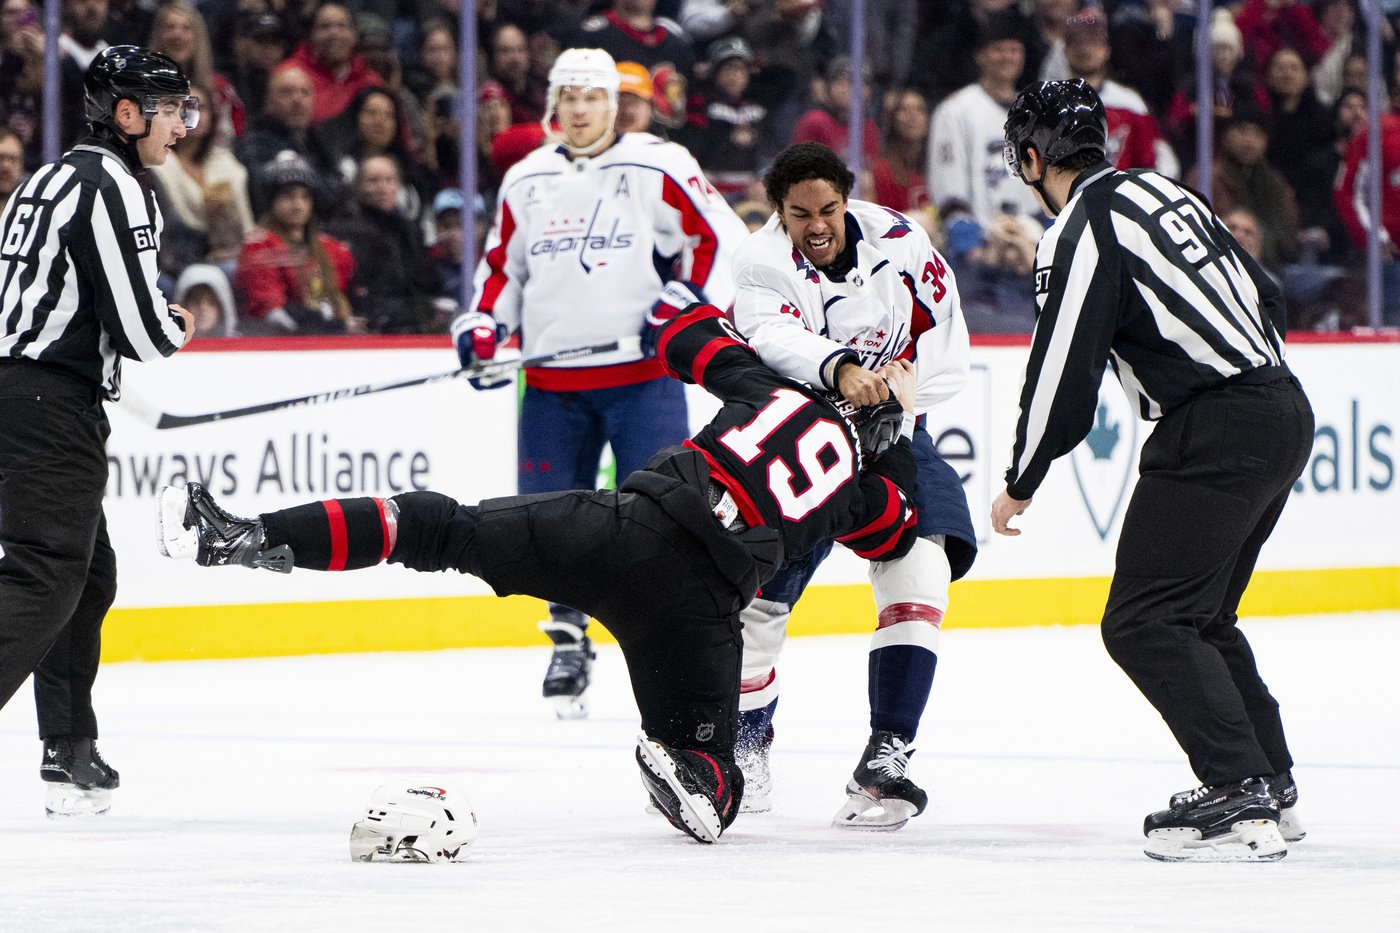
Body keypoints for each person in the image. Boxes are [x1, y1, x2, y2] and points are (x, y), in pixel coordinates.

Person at [157, 304, 924, 845]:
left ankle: (248, 534)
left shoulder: (773, 389)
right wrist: (894, 444)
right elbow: (898, 526)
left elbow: (684, 333)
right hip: (699, 610)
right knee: (715, 789)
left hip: (625, 530)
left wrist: (676, 320)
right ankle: (690, 758)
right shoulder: (859, 490)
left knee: (434, 524)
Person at [995, 79, 1313, 862]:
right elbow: (1267, 296)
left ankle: (1239, 781)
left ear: (1034, 158)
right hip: (1281, 402)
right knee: (1202, 615)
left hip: (1214, 426)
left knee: (1144, 618)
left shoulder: (1079, 229)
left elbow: (1062, 377)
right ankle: (1270, 780)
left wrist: (1021, 478)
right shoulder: (1169, 192)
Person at [455, 47, 747, 719]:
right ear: (553, 105)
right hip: (553, 382)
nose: (580, 109)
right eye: (570, 98)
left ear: (613, 105)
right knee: (547, 516)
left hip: (643, 378)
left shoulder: (659, 164)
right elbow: (501, 271)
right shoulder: (525, 180)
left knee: (663, 516)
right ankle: (566, 634)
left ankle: (666, 638)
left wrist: (678, 308)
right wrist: (481, 328)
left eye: (593, 97)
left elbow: (717, 242)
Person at [729, 141, 977, 826]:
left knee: (923, 566)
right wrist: (841, 373)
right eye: (800, 213)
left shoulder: (901, 239)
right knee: (758, 603)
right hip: (796, 441)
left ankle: (886, 756)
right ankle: (744, 748)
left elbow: (945, 339)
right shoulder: (757, 264)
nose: (817, 226)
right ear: (779, 211)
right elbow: (774, 340)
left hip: (894, 432)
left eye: (830, 209)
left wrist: (902, 400)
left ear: (847, 198)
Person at [0, 45, 196, 818]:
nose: (182, 125)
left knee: (89, 572)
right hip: (49, 407)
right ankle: (65, 746)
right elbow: (147, 330)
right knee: (47, 574)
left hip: (23, 395)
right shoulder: (118, 187)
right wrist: (179, 323)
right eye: (173, 109)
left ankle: (68, 746)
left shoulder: (47, 178)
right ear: (127, 114)